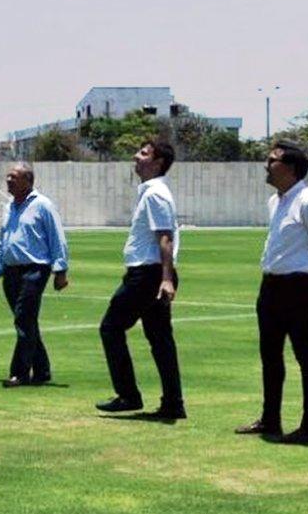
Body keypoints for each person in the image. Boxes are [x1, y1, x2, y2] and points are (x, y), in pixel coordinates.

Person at [236, 141, 308, 444]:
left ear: (290, 168)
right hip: (271, 286)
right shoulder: (275, 201)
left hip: (298, 287)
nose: (266, 165)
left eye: (272, 160)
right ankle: (270, 419)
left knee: (306, 356)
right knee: (270, 356)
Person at [96, 139, 186, 419]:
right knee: (160, 340)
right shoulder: (151, 192)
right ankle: (173, 403)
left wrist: (166, 278)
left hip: (147, 275)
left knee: (110, 328)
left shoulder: (155, 193)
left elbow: (165, 237)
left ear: (158, 162)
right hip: (151, 273)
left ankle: (128, 395)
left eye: (144, 153)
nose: (136, 156)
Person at [0, 162, 70, 387]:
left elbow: (57, 238)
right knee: (27, 321)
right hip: (11, 271)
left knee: (23, 318)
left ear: (28, 181)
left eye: (14, 177)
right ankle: (42, 371)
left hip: (35, 270)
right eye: (8, 176)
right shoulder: (9, 207)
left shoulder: (43, 205)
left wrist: (60, 270)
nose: (9, 180)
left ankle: (20, 373)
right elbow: (1, 241)